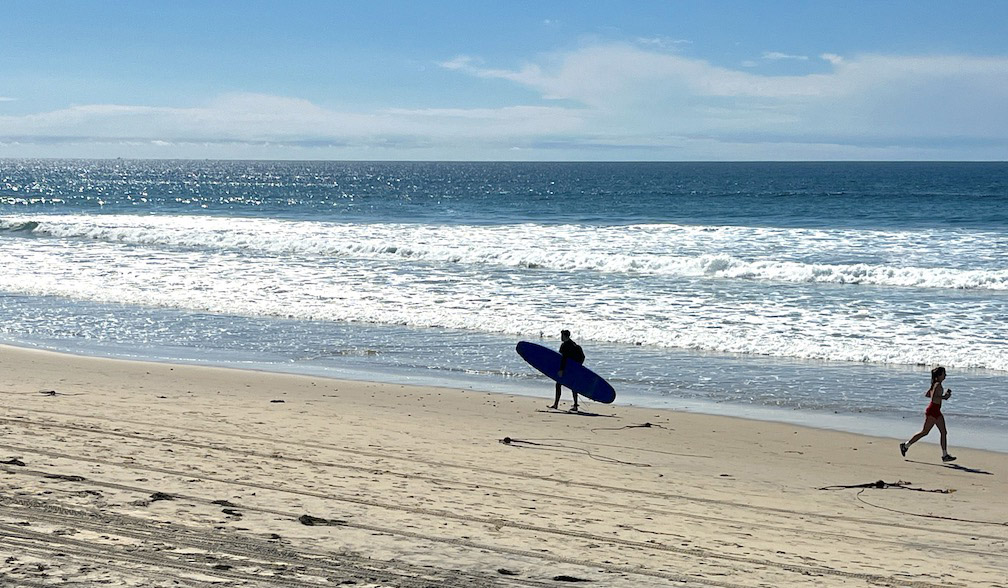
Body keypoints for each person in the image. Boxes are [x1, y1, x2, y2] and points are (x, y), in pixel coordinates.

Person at [900, 366, 956, 462]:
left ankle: (945, 455)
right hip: (932, 411)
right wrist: (944, 397)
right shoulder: (937, 385)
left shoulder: (935, 384)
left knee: (943, 432)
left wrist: (941, 396)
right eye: (944, 374)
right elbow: (933, 398)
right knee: (925, 432)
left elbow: (928, 394)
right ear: (939, 375)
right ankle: (905, 445)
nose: (945, 375)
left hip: (936, 411)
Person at [549, 329, 585, 412]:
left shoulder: (564, 345)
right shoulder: (575, 345)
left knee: (558, 385)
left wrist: (561, 370)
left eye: (562, 336)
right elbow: (582, 357)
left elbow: (563, 358)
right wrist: (578, 366)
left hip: (565, 369)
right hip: (573, 370)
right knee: (573, 387)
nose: (561, 337)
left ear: (565, 336)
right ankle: (575, 406)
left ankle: (556, 404)